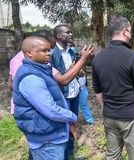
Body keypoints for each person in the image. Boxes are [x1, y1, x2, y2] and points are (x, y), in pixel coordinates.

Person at [8, 30, 94, 160]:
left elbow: (61, 78)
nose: (49, 54)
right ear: (29, 53)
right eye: (44, 50)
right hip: (45, 135)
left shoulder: (41, 66)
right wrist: (71, 116)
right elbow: (50, 109)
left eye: (49, 50)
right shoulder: (30, 77)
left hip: (49, 131)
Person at [92, 15, 134, 160]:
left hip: (110, 116)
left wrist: (105, 106)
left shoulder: (98, 57)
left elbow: (97, 89)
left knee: (112, 155)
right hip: (131, 118)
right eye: (130, 30)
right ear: (125, 31)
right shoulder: (133, 57)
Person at [50, 25, 80, 158]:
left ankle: (71, 153)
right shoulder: (52, 54)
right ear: (59, 36)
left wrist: (79, 68)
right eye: (67, 32)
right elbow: (58, 80)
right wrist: (72, 69)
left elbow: (79, 73)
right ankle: (65, 155)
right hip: (63, 96)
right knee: (65, 127)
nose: (71, 34)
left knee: (73, 123)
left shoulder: (71, 51)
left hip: (75, 93)